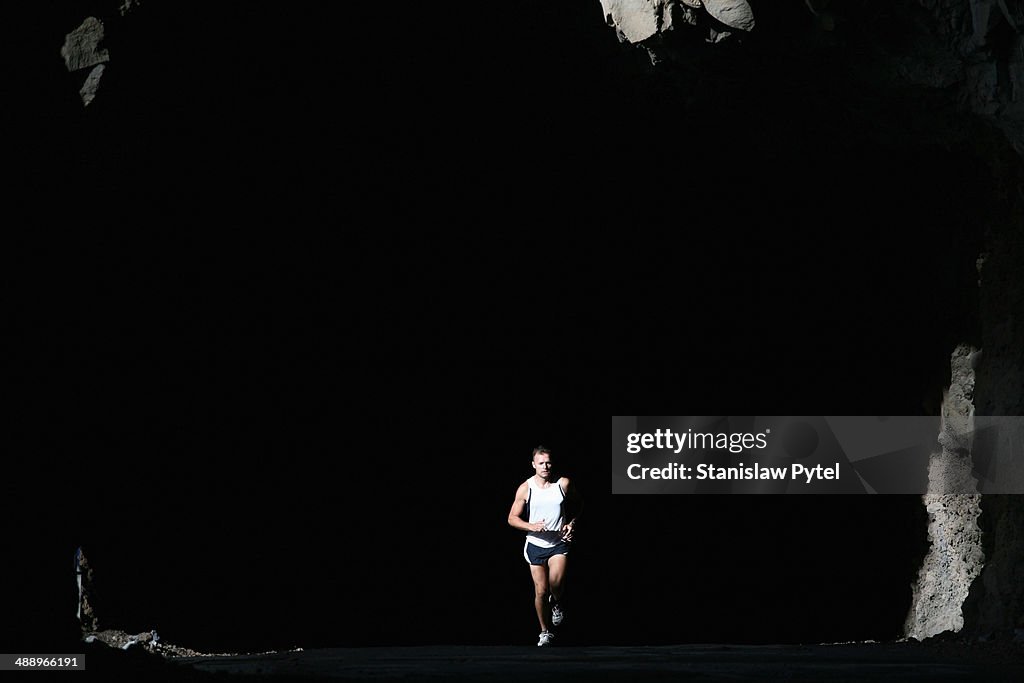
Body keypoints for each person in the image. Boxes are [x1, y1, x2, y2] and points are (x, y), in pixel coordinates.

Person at [507, 445, 582, 647]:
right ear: (534, 465)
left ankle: (556, 603)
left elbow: (579, 505)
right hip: (535, 544)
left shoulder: (562, 484)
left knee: (556, 584)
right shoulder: (526, 487)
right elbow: (511, 519)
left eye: (548, 462)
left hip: (559, 543)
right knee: (541, 591)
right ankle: (544, 632)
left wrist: (571, 523)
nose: (545, 466)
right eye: (541, 463)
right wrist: (531, 526)